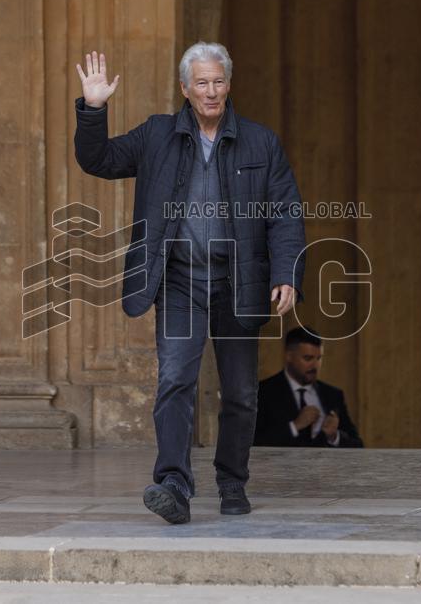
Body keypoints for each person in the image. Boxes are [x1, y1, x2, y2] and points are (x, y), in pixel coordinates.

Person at [73, 43, 306, 524]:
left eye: (218, 81)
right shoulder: (158, 135)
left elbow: (286, 213)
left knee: (240, 392)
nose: (211, 91)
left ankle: (231, 480)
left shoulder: (261, 143)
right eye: (201, 82)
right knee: (176, 380)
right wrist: (94, 109)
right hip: (179, 281)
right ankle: (174, 484)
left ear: (228, 85)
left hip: (238, 283)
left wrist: (287, 274)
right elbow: (99, 159)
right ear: (185, 88)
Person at [254, 326, 364, 448]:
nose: (315, 365)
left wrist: (334, 436)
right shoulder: (263, 392)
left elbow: (358, 446)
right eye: (308, 358)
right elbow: (253, 443)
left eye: (319, 358)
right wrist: (295, 426)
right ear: (289, 356)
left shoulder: (333, 395)